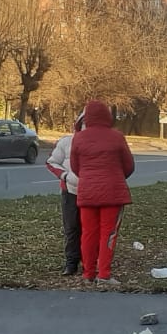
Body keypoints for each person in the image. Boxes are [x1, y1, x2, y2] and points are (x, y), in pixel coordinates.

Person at [70, 99, 135, 285]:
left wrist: (89, 178)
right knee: (109, 234)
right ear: (107, 115)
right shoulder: (116, 136)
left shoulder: (79, 138)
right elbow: (129, 165)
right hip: (113, 193)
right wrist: (116, 176)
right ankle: (104, 274)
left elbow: (75, 167)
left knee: (88, 233)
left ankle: (88, 273)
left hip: (87, 192)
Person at [45, 111, 85, 275]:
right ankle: (71, 262)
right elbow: (52, 162)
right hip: (70, 191)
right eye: (84, 123)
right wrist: (65, 176)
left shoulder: (101, 143)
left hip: (93, 192)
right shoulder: (66, 142)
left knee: (89, 229)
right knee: (71, 228)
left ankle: (90, 261)